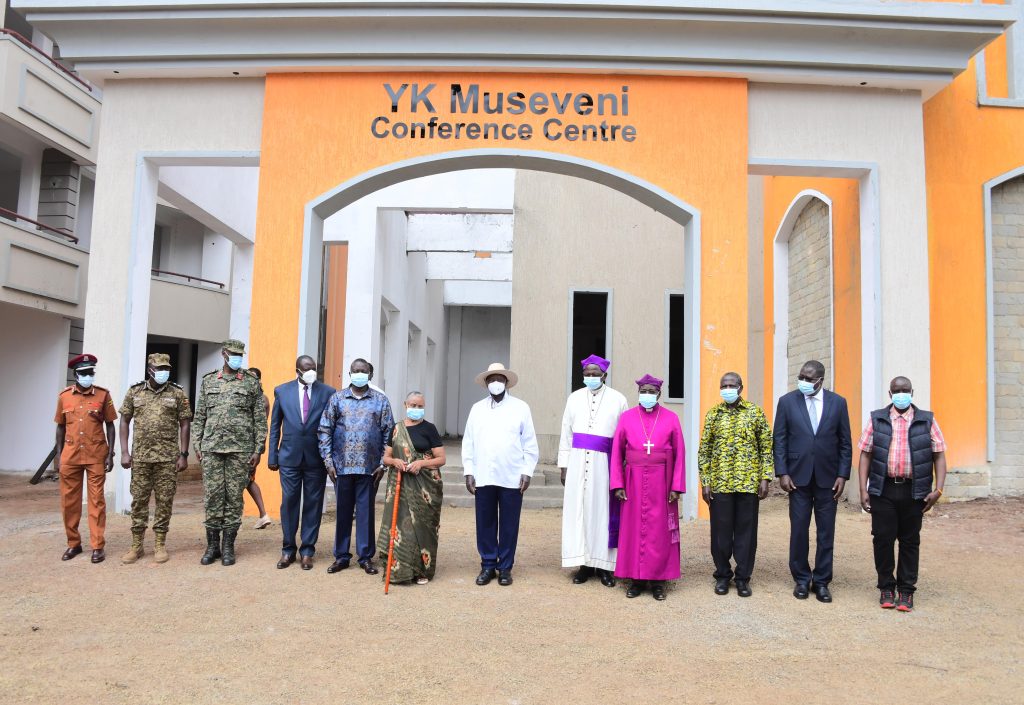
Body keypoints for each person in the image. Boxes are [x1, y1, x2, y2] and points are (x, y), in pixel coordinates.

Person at [857, 376, 947, 613]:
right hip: (883, 488)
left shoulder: (926, 420)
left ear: (912, 392)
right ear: (890, 394)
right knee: (883, 539)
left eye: (905, 390)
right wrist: (862, 488)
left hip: (913, 490)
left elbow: (939, 454)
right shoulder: (877, 419)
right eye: (897, 390)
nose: (901, 394)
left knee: (909, 541)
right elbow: (865, 454)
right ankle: (886, 587)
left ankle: (906, 591)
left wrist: (938, 489)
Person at [773, 359, 852, 603]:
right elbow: (780, 440)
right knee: (799, 530)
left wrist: (842, 474)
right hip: (797, 477)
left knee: (826, 532)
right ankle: (801, 579)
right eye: (802, 377)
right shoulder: (787, 402)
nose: (804, 382)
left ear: (820, 380)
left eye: (809, 378)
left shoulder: (838, 403)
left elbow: (845, 442)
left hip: (828, 478)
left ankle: (821, 581)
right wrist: (782, 473)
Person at [610, 374, 686, 601]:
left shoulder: (671, 418)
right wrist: (617, 483)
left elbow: (680, 454)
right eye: (644, 391)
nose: (647, 395)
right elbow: (617, 453)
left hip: (661, 482)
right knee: (633, 529)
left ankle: (658, 581)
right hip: (633, 480)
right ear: (638, 393)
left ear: (659, 394)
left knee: (660, 532)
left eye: (652, 391)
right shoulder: (627, 418)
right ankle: (635, 579)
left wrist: (676, 486)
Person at [192, 339, 267, 566]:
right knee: (213, 497)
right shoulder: (208, 381)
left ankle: (228, 546)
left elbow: (259, 420)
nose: (237, 358)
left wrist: (258, 449)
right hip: (212, 449)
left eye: (240, 354)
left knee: (234, 499)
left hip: (240, 450)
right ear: (224, 354)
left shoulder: (250, 382)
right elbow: (200, 417)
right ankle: (212, 545)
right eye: (233, 354)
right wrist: (198, 444)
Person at [463, 362, 539, 587]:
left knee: (509, 524)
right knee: (485, 522)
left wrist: (527, 471)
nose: (496, 383)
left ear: (506, 382)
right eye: (491, 379)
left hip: (512, 475)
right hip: (484, 474)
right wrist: (469, 471)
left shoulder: (521, 408)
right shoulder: (477, 409)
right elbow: (468, 442)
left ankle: (505, 567)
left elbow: (530, 443)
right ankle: (487, 565)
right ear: (486, 383)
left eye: (500, 379)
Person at [697, 371, 773, 597]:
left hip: (748, 484)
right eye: (724, 386)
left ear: (740, 387)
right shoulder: (714, 414)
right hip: (720, 484)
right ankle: (722, 575)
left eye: (731, 385)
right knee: (720, 534)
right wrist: (705, 481)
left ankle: (743, 577)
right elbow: (705, 451)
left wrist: (765, 478)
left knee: (746, 533)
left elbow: (766, 447)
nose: (727, 389)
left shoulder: (755, 413)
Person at [318, 358, 394, 575]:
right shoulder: (337, 399)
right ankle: (341, 556)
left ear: (370, 375)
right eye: (355, 370)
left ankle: (365, 557)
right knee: (342, 513)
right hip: (341, 468)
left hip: (370, 469)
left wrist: (383, 464)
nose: (359, 373)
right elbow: (325, 430)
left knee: (365, 513)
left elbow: (389, 433)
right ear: (350, 373)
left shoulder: (380, 401)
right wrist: (328, 462)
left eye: (363, 371)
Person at [557, 354, 628, 587]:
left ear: (605, 375)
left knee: (602, 512)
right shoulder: (574, 398)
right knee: (580, 511)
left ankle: (605, 566)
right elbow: (566, 432)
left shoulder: (618, 400)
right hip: (577, 461)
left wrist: (620, 469)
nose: (591, 378)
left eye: (595, 375)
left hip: (605, 463)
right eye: (587, 375)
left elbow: (623, 437)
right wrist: (564, 465)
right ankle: (584, 564)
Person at [118, 353, 192, 564]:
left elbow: (185, 423)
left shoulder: (177, 393)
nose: (163, 372)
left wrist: (184, 454)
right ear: (150, 370)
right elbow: (124, 421)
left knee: (164, 501)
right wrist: (124, 452)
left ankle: (160, 543)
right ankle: (136, 545)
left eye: (166, 369)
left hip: (168, 458)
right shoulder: (135, 392)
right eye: (159, 369)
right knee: (139, 500)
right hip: (140, 458)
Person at [267, 356, 335, 570]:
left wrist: (331, 458)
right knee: (289, 502)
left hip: (316, 458)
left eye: (313, 368)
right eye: (307, 369)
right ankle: (288, 550)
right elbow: (275, 425)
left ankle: (307, 551)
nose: (311, 372)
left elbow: (332, 426)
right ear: (297, 370)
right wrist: (272, 456)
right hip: (288, 457)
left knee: (313, 504)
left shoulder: (328, 392)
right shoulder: (282, 391)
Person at [376, 391, 447, 585]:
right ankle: (401, 570)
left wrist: (420, 464)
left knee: (423, 527)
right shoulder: (396, 429)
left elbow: (441, 458)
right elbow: (386, 457)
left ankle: (422, 570)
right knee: (401, 525)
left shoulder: (430, 429)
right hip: (401, 483)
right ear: (405, 404)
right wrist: (395, 461)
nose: (416, 409)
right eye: (413, 405)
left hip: (425, 487)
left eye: (420, 406)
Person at [54, 353, 117, 563]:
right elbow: (60, 427)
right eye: (84, 373)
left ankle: (97, 546)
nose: (88, 376)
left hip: (96, 455)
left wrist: (110, 454)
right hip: (70, 456)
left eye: (91, 372)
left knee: (96, 501)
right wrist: (59, 457)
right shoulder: (64, 396)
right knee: (69, 502)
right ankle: (73, 543)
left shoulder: (103, 395)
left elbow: (110, 425)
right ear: (75, 374)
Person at [245, 367, 273, 530]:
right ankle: (263, 515)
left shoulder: (261, 399)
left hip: (251, 447)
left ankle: (263, 514)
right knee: (248, 481)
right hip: (250, 446)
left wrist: (258, 449)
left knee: (245, 481)